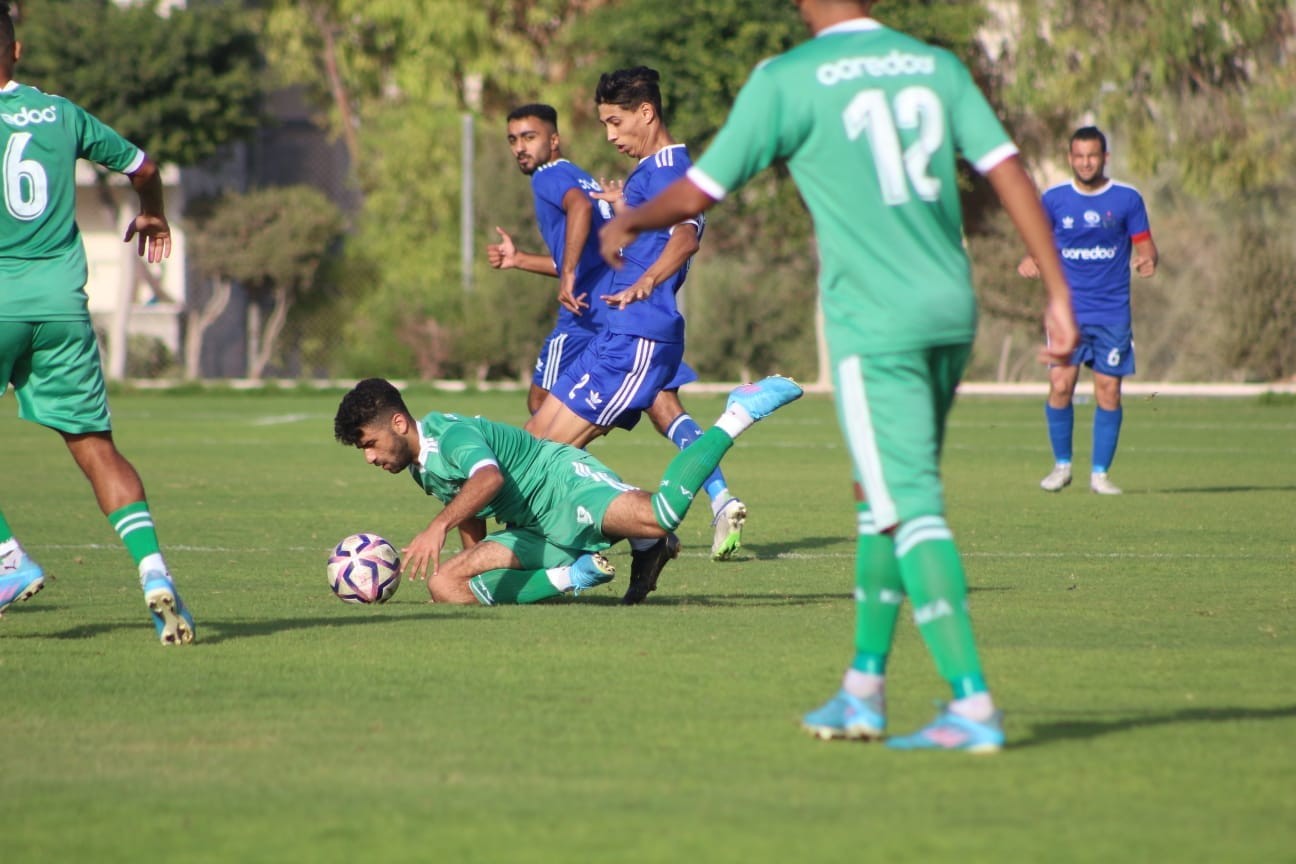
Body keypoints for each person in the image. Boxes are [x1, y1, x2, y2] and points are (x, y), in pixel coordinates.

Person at [598, 0, 1078, 751]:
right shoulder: (933, 65)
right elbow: (1008, 170)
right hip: (949, 307)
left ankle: (972, 702)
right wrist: (1058, 291)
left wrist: (627, 220)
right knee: (876, 494)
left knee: (907, 502)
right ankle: (863, 688)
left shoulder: (790, 77)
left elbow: (698, 194)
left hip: (876, 318)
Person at [0, 1, 194, 644]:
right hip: (61, 305)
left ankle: (6, 559)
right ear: (16, 50)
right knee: (95, 449)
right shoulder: (60, 113)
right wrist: (153, 212)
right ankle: (154, 571)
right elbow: (144, 168)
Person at [514, 76, 748, 584]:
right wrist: (625, 208)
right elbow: (656, 232)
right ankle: (648, 534)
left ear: (646, 112)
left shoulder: (670, 172)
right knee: (534, 441)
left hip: (637, 333)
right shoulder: (651, 171)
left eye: (615, 122)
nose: (610, 136)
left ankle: (598, 549)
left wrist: (647, 280)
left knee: (540, 457)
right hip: (616, 331)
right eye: (604, 124)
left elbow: (685, 237)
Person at [332, 375, 802, 606]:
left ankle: (738, 413)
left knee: (661, 515)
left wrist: (436, 527)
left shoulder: (450, 436)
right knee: (445, 586)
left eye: (370, 444)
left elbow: (488, 480)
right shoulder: (421, 467)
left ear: (399, 423)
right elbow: (467, 506)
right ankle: (573, 575)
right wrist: (471, 561)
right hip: (533, 529)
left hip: (562, 486)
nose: (369, 457)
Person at [1018, 126, 1158, 496]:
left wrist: (1147, 260)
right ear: (1070, 158)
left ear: (1104, 158)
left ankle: (1100, 475)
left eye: (1092, 156)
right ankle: (1062, 466)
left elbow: (1146, 245)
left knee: (1108, 392)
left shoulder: (1127, 199)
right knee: (1060, 385)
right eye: (1079, 156)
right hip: (1067, 314)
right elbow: (1038, 242)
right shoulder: (1055, 200)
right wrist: (1031, 259)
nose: (1085, 163)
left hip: (1112, 313)